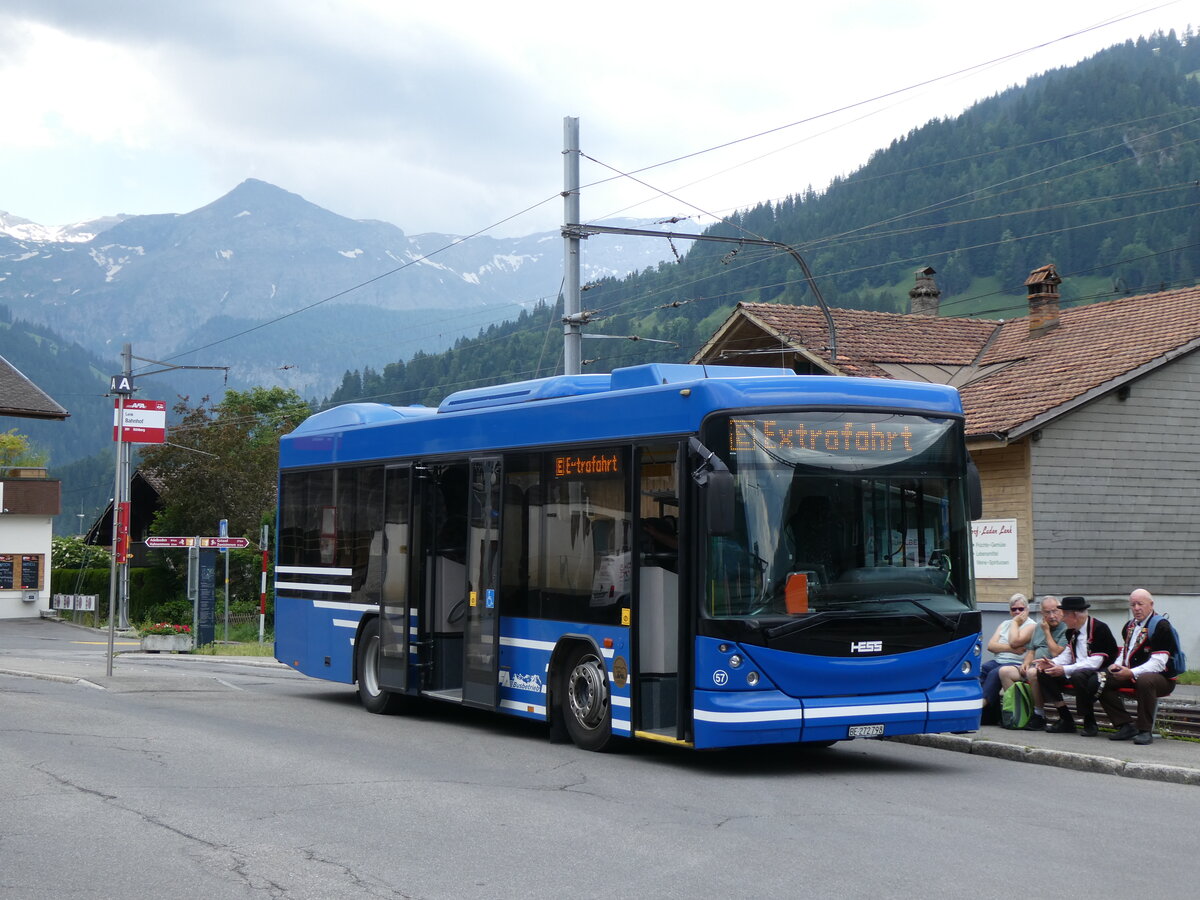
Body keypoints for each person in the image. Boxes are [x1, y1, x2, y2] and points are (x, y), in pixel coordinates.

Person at [1100, 588, 1180, 745]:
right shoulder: (1129, 626)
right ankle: (1125, 725)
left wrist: (1130, 673)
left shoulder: (1161, 626)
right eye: (1133, 604)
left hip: (1162, 679)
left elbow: (1158, 662)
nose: (1136, 608)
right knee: (1100, 680)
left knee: (1145, 680)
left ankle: (1145, 730)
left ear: (1151, 604)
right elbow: (1126, 652)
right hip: (1132, 674)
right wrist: (1116, 665)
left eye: (1140, 604)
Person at [1036, 595, 1118, 736]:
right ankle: (1066, 718)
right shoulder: (1072, 631)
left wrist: (1064, 669)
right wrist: (1052, 663)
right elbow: (1068, 654)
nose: (1062, 618)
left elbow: (1095, 662)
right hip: (1078, 670)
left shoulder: (1099, 628)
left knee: (1079, 676)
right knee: (1044, 672)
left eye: (1065, 615)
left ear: (1074, 615)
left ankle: (1089, 720)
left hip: (1100, 672)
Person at [998, 595, 1067, 730]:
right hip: (1034, 665)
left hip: (1052, 668)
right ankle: (1018, 712)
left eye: (1055, 611)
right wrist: (1026, 662)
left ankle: (1039, 715)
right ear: (1042, 613)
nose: (1052, 616)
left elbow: (1055, 653)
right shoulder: (1038, 627)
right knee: (1004, 672)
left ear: (1061, 611)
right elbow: (1031, 650)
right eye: (1047, 612)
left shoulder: (1065, 628)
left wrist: (1047, 632)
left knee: (1032, 673)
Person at [980, 593, 1034, 721]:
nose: (1017, 612)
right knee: (983, 669)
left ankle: (979, 707)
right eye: (1013, 609)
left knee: (995, 673)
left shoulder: (1031, 625)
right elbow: (991, 646)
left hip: (1016, 663)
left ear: (1027, 610)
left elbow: (1015, 641)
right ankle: (989, 714)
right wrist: (1011, 649)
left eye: (1021, 609)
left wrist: (1015, 623)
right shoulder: (1004, 624)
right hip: (998, 660)